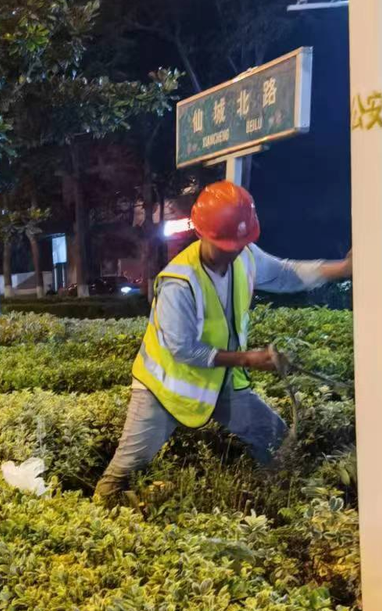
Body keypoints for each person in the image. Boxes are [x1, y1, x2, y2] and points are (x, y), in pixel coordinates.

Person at [94, 181, 352, 500]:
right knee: (126, 469)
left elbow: (286, 274)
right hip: (163, 389)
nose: (233, 253)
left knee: (272, 435)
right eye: (226, 246)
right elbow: (183, 349)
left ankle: (276, 502)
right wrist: (249, 359)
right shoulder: (179, 282)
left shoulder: (245, 255)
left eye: (239, 245)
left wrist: (342, 268)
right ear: (202, 233)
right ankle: (99, 508)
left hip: (219, 383)